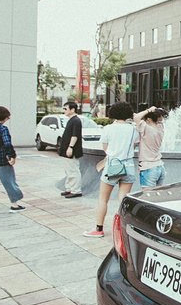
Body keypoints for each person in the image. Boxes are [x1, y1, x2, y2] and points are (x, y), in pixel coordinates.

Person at [86, 102, 139, 238]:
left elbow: (105, 148)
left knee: (103, 199)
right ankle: (122, 230)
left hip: (112, 167)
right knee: (123, 200)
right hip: (128, 167)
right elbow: (135, 144)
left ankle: (98, 229)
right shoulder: (133, 129)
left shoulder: (108, 128)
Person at [135, 104, 167, 188]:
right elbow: (160, 116)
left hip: (148, 168)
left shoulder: (147, 129)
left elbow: (136, 117)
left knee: (147, 197)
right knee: (156, 197)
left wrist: (149, 110)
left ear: (148, 119)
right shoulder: (160, 128)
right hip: (160, 167)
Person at [59, 102, 84, 198]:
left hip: (72, 150)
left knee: (73, 170)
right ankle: (69, 189)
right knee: (68, 170)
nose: (64, 111)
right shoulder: (72, 120)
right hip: (67, 150)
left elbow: (75, 135)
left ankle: (76, 190)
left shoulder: (76, 121)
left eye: (66, 109)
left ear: (72, 109)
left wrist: (71, 147)